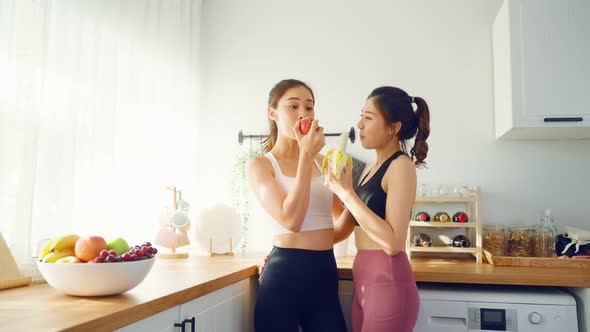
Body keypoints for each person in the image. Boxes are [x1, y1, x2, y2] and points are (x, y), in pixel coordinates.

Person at [324, 86, 430, 332]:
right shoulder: (370, 169)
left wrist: (346, 193)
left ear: (394, 128)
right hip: (364, 280)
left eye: (368, 117)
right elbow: (341, 231)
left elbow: (393, 242)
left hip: (389, 283)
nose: (359, 124)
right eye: (361, 115)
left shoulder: (401, 166)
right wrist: (288, 249)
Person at [246, 79, 347, 332]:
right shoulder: (260, 165)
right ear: (273, 113)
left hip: (324, 272)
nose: (303, 113)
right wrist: (306, 155)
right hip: (284, 276)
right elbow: (292, 220)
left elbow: (343, 225)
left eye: (309, 107)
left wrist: (349, 192)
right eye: (293, 106)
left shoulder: (324, 163)